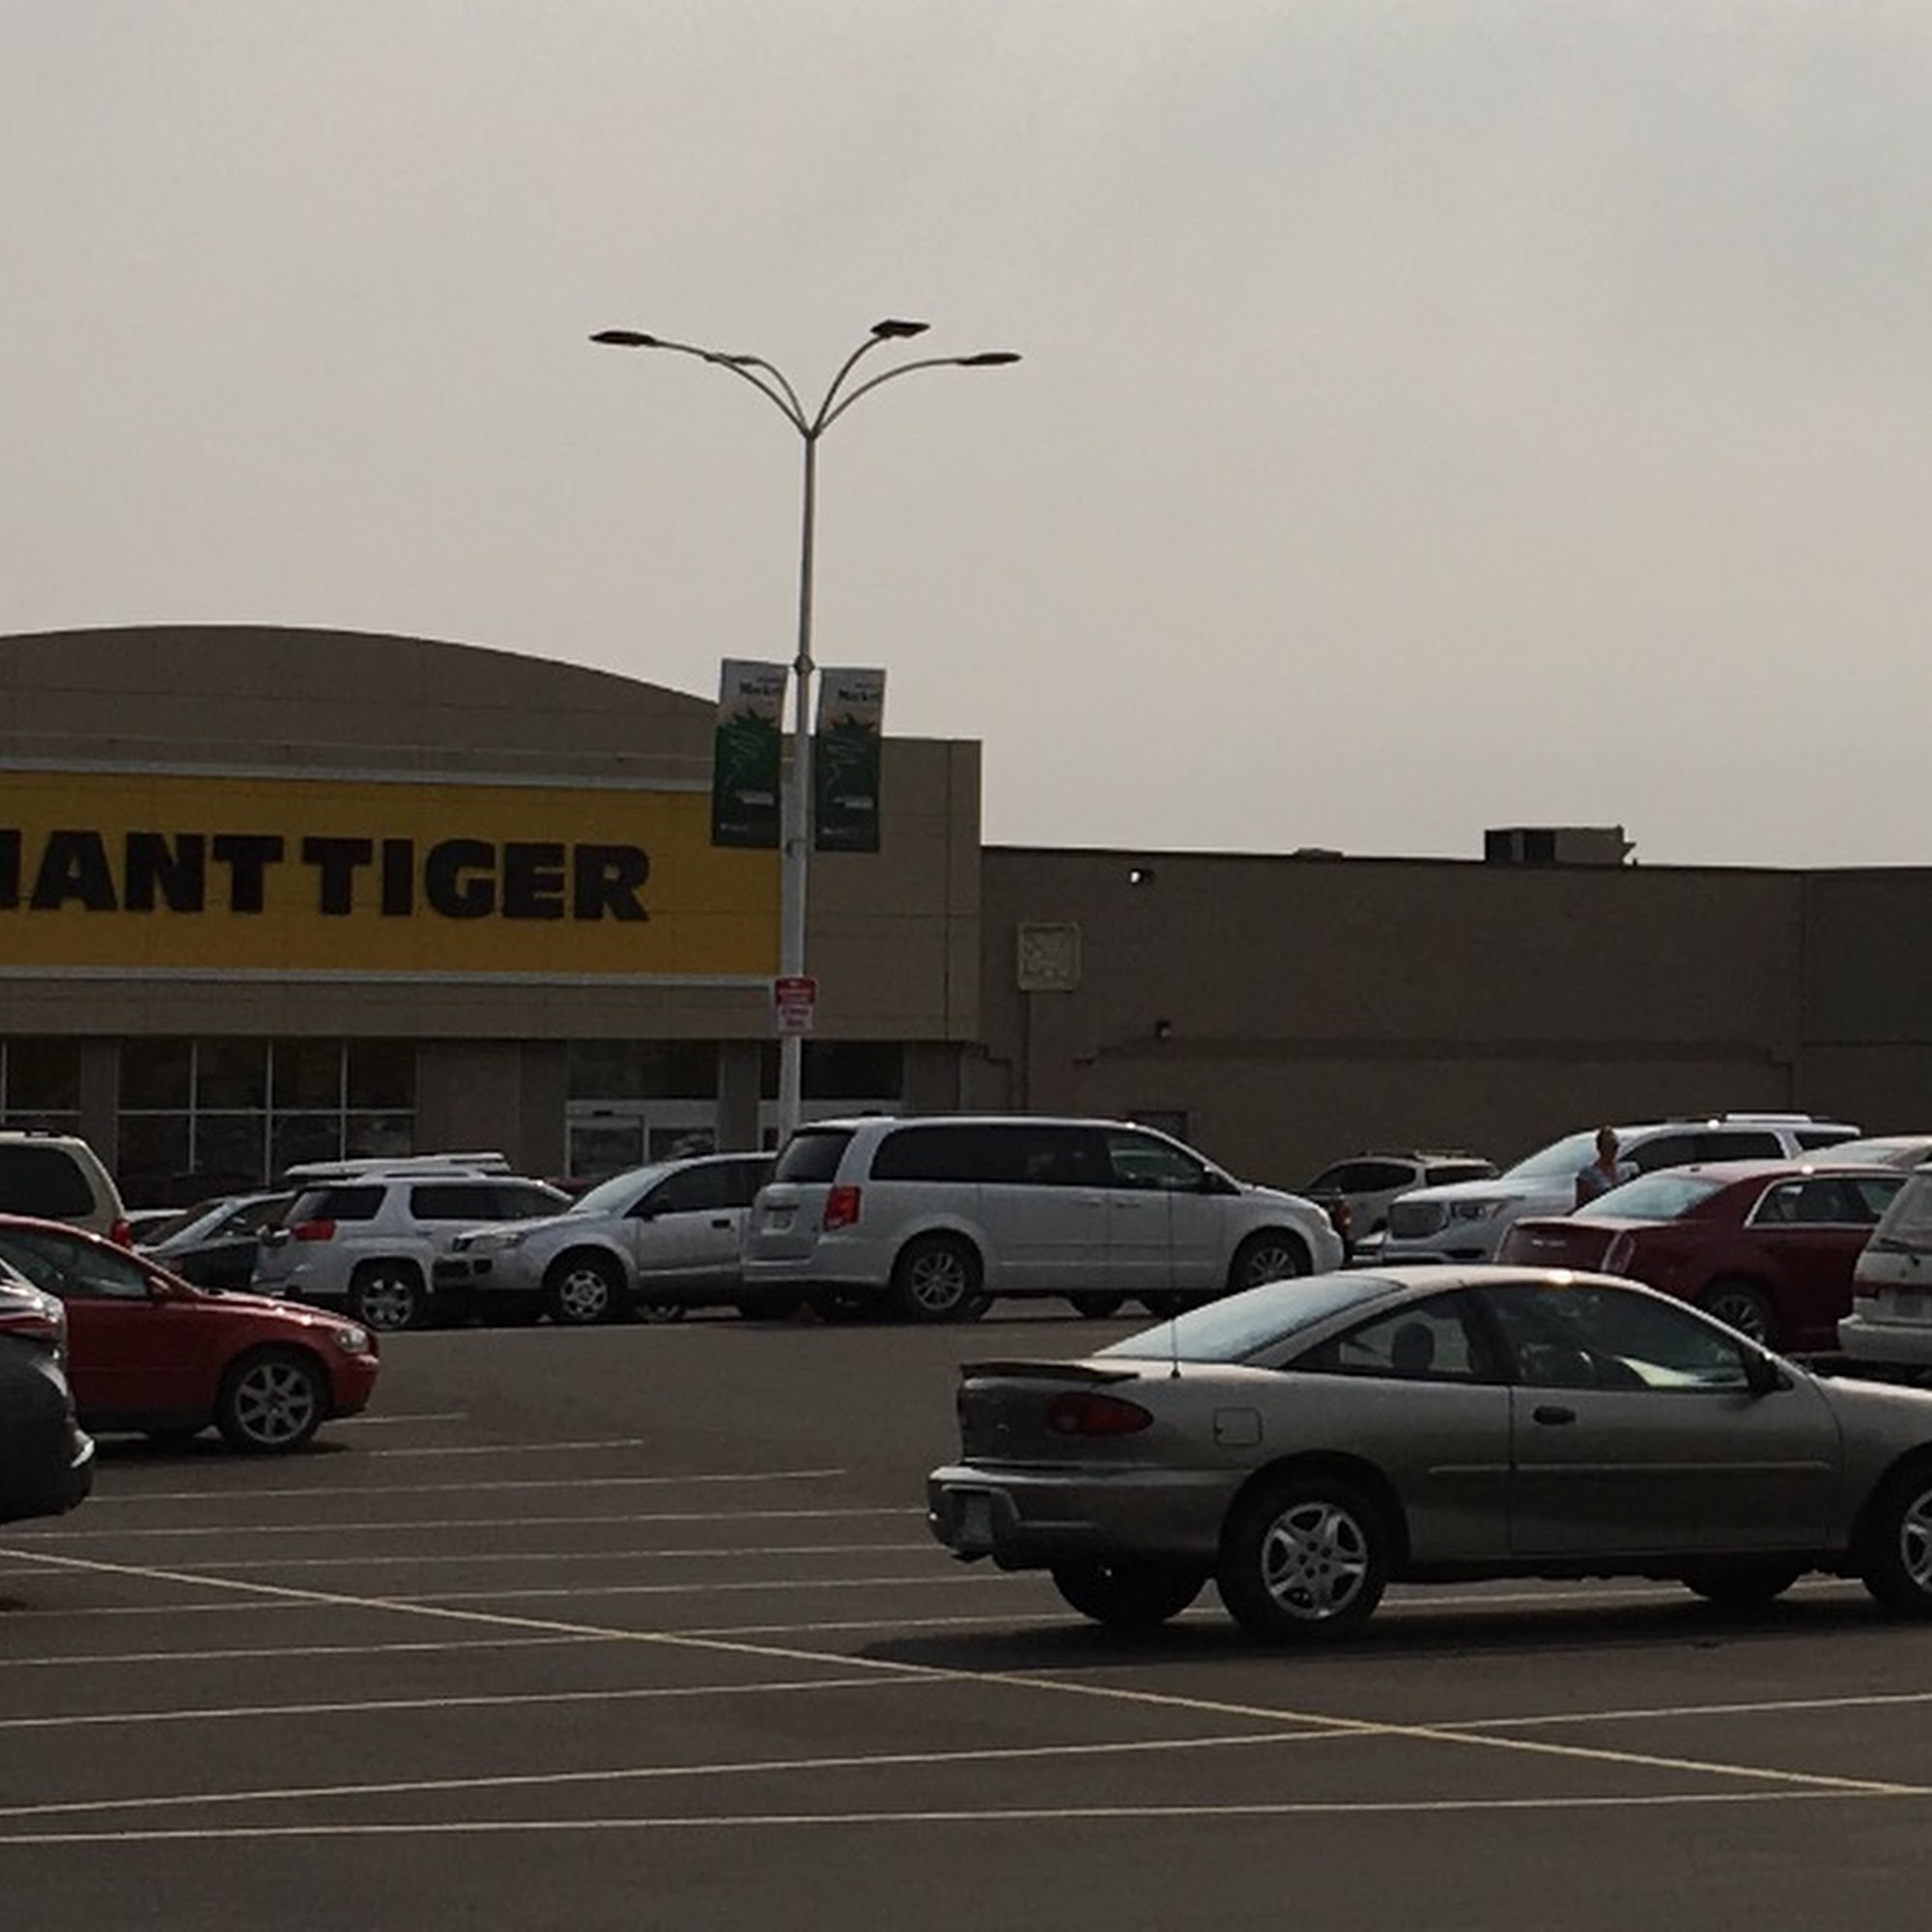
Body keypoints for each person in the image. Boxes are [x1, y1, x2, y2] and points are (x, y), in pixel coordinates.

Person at [1574, 1125, 1629, 1208]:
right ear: (1600, 1148)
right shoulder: (1588, 1174)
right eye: (1608, 1145)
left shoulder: (1624, 1171)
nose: (1612, 1150)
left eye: (1615, 1146)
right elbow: (1581, 1204)